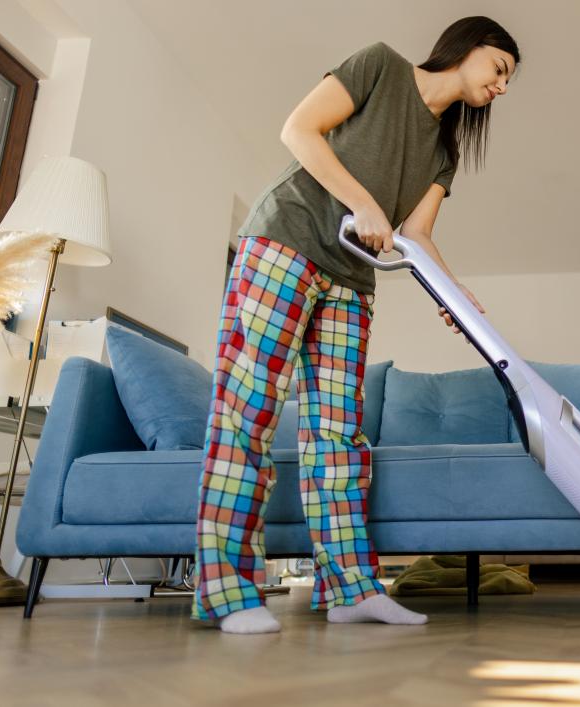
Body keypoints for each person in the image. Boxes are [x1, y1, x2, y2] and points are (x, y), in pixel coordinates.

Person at [193, 16, 520, 634]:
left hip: (351, 277)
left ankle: (350, 590)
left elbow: (417, 235)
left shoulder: (443, 152)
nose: (502, 87)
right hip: (284, 243)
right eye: (499, 68)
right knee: (249, 412)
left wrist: (455, 297)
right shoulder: (381, 65)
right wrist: (365, 202)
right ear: (468, 46)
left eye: (507, 81)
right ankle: (226, 590)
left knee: (340, 433)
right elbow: (299, 130)